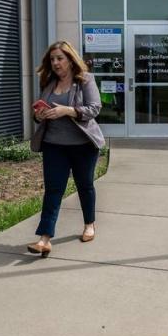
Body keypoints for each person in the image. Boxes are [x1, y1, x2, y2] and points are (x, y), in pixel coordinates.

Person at [27, 40, 105, 257]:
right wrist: (39, 114)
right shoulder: (49, 82)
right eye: (52, 59)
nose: (55, 63)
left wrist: (67, 110)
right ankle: (44, 239)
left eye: (59, 58)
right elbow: (39, 113)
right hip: (54, 146)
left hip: (82, 146)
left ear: (71, 60)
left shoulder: (85, 80)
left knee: (84, 186)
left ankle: (89, 224)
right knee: (53, 190)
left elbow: (94, 108)